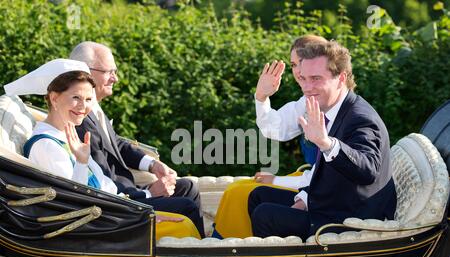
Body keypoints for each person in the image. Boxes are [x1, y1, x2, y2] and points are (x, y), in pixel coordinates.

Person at [3, 59, 200, 240]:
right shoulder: (46, 145)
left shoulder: (66, 135)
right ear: (54, 98)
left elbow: (104, 186)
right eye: (76, 98)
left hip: (115, 206)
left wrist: (141, 199)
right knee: (186, 207)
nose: (83, 107)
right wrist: (139, 209)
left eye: (88, 99)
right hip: (104, 222)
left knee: (185, 194)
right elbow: (74, 203)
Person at [249, 40, 397, 239]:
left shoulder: (360, 118)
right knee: (259, 196)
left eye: (316, 78)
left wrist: (326, 144)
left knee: (265, 215)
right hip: (331, 202)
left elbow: (368, 170)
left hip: (351, 219)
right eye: (304, 79)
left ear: (341, 78)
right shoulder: (326, 105)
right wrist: (305, 197)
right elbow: (275, 129)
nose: (307, 88)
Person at [69, 42, 205, 238]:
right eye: (109, 72)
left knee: (188, 187)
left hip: (130, 193)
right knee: (186, 206)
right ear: (86, 72)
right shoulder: (81, 119)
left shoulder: (94, 108)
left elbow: (117, 144)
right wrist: (149, 192)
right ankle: (195, 256)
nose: (115, 78)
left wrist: (152, 164)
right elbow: (103, 180)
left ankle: (195, 246)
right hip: (122, 204)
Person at [212, 35, 328, 239]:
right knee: (237, 188)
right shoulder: (306, 102)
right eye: (294, 64)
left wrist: (276, 180)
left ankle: (228, 250)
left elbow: (330, 174)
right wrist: (261, 96)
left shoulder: (331, 105)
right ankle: (222, 245)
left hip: (315, 186)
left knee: (239, 194)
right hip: (309, 179)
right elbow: (275, 129)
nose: (299, 72)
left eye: (303, 63)